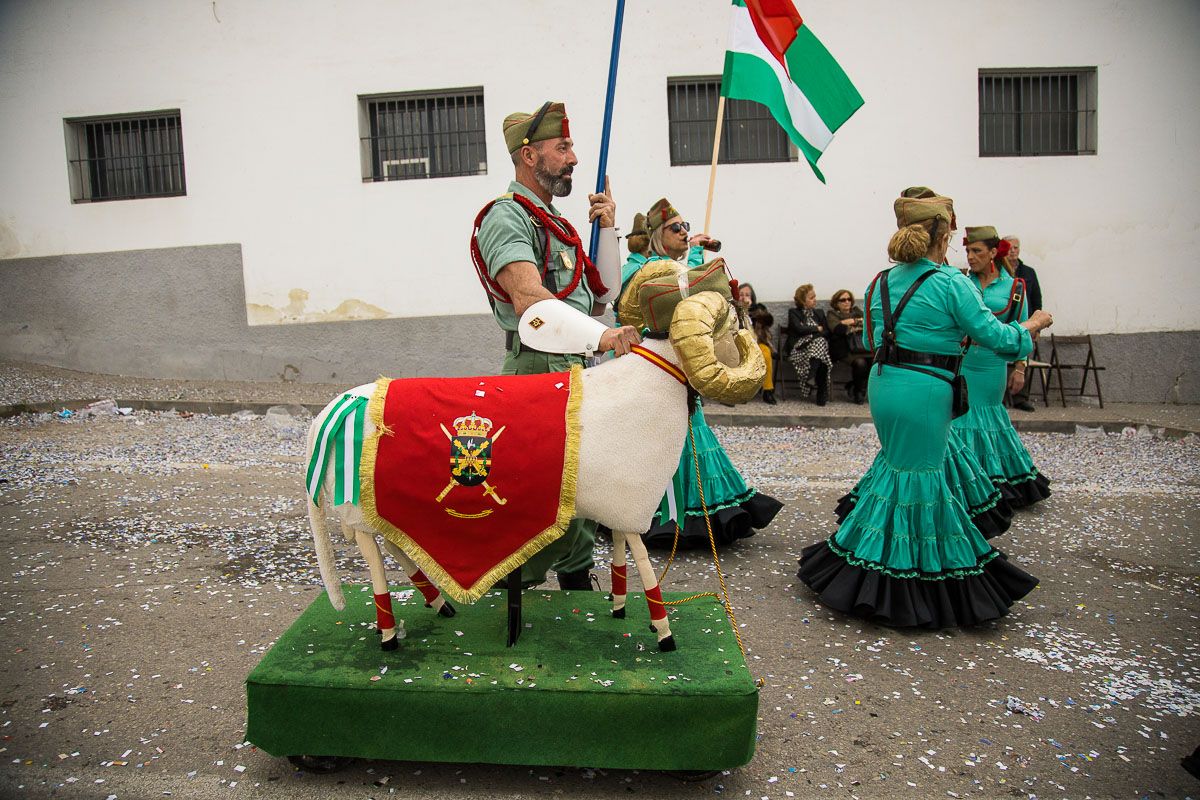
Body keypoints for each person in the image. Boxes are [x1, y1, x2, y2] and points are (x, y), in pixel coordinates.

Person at [797, 191, 1055, 628]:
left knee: (900, 471)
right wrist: (1033, 324)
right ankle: (905, 580)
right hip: (926, 390)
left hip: (885, 386)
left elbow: (873, 342)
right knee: (920, 478)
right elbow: (1001, 339)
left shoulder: (879, 281)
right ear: (944, 235)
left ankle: (867, 560)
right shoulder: (951, 283)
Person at [472, 101, 640, 590]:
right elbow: (530, 301)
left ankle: (574, 582)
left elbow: (602, 295)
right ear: (529, 155)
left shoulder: (557, 223)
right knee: (536, 496)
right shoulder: (507, 217)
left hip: (575, 368)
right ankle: (510, 591)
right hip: (537, 370)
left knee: (580, 494)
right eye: (563, 147)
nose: (574, 158)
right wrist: (604, 338)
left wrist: (607, 228)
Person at [619, 198, 782, 548]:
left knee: (692, 427)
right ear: (657, 235)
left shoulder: (669, 265)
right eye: (676, 228)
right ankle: (669, 514)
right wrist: (695, 256)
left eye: (686, 227)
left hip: (684, 358)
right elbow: (668, 297)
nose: (684, 232)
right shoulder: (647, 269)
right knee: (670, 432)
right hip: (659, 359)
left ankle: (704, 508)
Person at [953, 226, 1052, 508]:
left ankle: (991, 481)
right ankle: (965, 482)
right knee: (961, 417)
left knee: (986, 419)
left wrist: (1020, 368)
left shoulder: (1016, 288)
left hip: (992, 363)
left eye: (977, 251)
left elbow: (1023, 329)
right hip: (962, 360)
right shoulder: (960, 282)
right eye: (968, 251)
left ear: (994, 253)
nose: (970, 257)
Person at [1003, 235, 1042, 412]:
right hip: (1004, 321)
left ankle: (1020, 397)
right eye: (1009, 247)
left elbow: (1036, 300)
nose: (1013, 251)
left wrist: (1037, 326)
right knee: (1001, 358)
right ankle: (1002, 396)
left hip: (1025, 322)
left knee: (1022, 357)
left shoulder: (1028, 272)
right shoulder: (999, 271)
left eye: (1016, 248)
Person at [784, 284, 832, 405]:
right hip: (800, 349)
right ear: (802, 301)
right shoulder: (794, 313)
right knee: (822, 354)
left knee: (821, 350)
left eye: (814, 297)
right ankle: (821, 393)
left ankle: (812, 375)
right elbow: (799, 329)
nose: (815, 299)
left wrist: (812, 333)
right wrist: (817, 328)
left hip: (817, 350)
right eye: (811, 297)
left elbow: (826, 331)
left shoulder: (819, 313)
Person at [826, 289, 870, 404]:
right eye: (843, 300)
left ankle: (854, 385)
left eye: (849, 299)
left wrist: (850, 322)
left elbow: (867, 323)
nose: (847, 302)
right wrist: (855, 324)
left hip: (861, 348)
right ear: (836, 303)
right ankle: (858, 392)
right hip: (844, 350)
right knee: (860, 363)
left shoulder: (856, 311)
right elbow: (836, 329)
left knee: (874, 361)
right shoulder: (832, 314)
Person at [738, 283, 776, 405]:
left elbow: (768, 321)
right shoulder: (733, 308)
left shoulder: (759, 308)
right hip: (739, 344)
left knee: (765, 353)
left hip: (758, 342)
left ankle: (768, 390)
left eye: (747, 295)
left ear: (752, 297)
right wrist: (741, 310)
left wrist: (750, 310)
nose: (744, 297)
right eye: (741, 295)